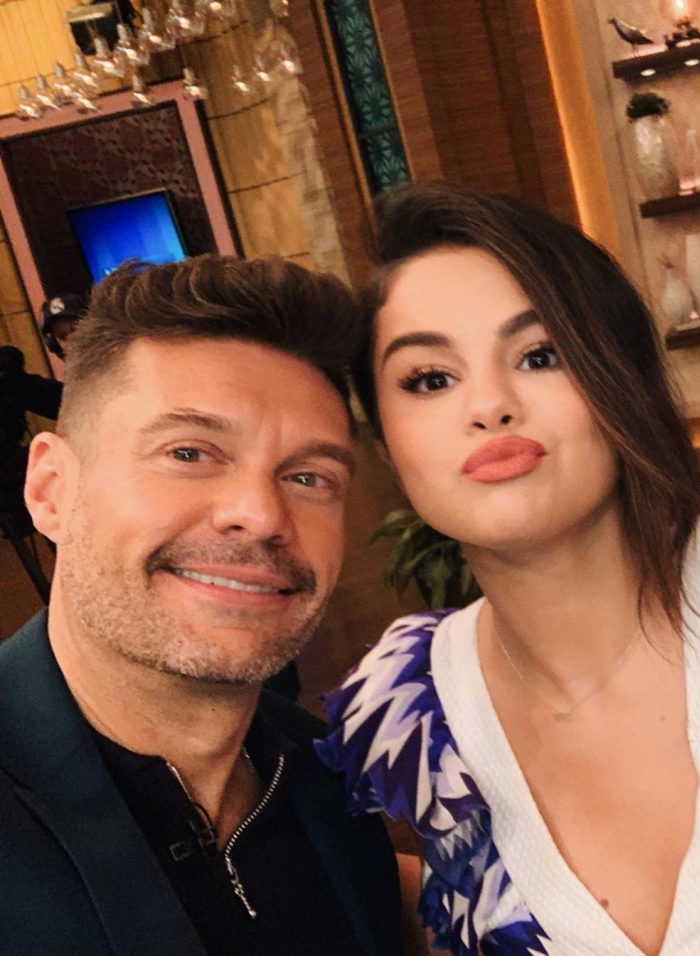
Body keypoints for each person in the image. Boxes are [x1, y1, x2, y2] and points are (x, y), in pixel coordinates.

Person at [317, 182, 700, 956]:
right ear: (387, 444)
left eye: (539, 356)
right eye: (430, 379)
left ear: (619, 378)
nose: (490, 405)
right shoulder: (414, 713)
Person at [0, 254, 403, 956]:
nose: (261, 514)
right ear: (51, 490)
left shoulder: (331, 786)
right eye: (189, 453)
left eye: (308, 477)